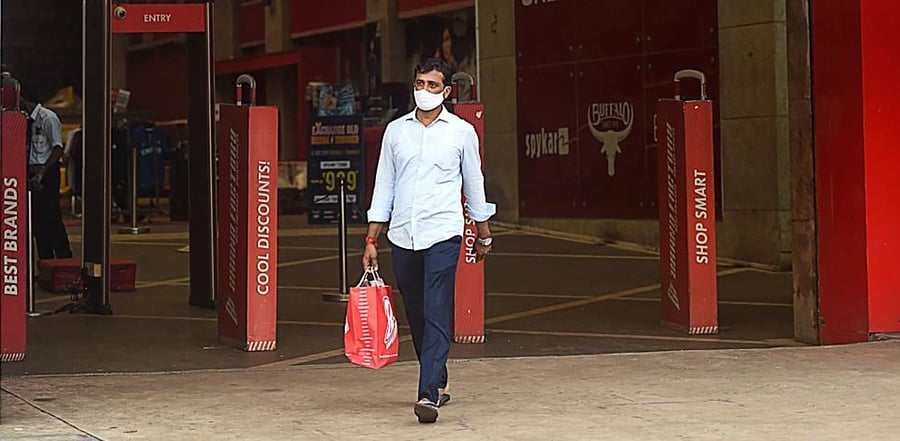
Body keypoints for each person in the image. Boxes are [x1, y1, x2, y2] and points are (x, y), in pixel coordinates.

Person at [363, 58, 495, 424]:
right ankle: (436, 377)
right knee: (417, 313)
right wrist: (372, 237)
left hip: (443, 233)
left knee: (437, 308)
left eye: (432, 85)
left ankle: (427, 395)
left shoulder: (461, 133)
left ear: (447, 92)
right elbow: (384, 184)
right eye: (419, 83)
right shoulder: (395, 132)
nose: (424, 91)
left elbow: (475, 185)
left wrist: (483, 235)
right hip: (403, 234)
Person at [24, 93, 73, 260]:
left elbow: (57, 148)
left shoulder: (47, 118)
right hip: (31, 171)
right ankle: (45, 260)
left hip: (47, 171)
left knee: (51, 216)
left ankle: (64, 257)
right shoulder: (23, 120)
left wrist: (42, 172)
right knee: (37, 220)